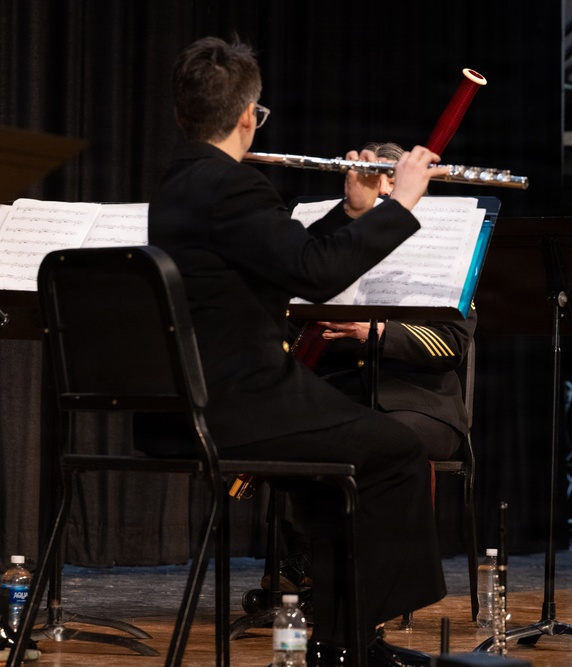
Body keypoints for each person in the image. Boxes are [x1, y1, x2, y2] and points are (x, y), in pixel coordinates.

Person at [147, 36, 450, 667]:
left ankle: (341, 640)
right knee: (395, 451)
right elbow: (314, 276)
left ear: (183, 116)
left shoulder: (181, 185)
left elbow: (283, 259)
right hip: (241, 404)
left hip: (186, 404)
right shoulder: (232, 185)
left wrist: (352, 210)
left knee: (332, 475)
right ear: (246, 118)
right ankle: (354, 640)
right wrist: (401, 201)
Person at [265, 141, 476, 594]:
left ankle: (378, 577)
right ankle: (308, 561)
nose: (381, 202)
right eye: (372, 189)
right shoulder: (340, 247)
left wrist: (376, 331)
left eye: (389, 189)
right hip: (341, 395)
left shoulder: (444, 249)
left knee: (381, 441)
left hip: (419, 404)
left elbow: (451, 345)